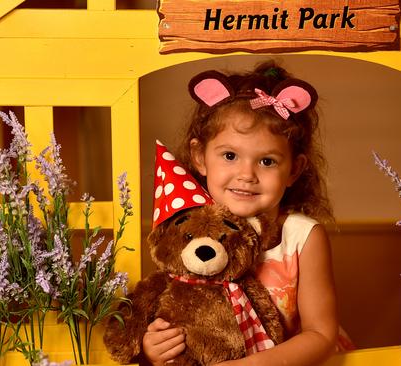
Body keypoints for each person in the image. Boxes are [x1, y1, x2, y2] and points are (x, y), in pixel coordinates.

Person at [142, 61, 346, 365]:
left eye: (267, 162)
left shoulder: (303, 237)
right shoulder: (186, 231)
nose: (246, 174)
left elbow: (321, 335)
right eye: (229, 156)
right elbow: (170, 302)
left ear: (294, 170)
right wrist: (155, 347)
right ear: (200, 157)